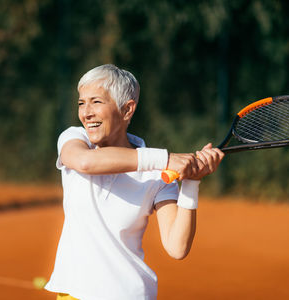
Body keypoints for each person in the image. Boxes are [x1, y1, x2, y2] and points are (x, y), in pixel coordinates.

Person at [45, 64, 224, 300]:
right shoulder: (75, 139)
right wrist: (166, 159)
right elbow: (86, 163)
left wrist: (191, 183)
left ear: (127, 109)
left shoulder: (156, 174)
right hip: (72, 295)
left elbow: (177, 247)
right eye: (81, 103)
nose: (86, 112)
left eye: (96, 102)